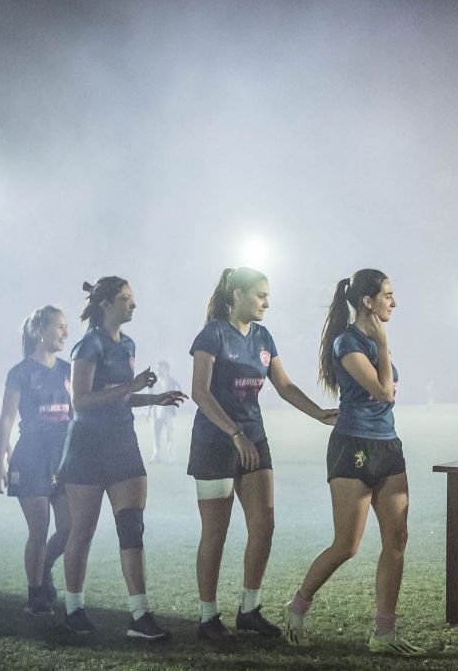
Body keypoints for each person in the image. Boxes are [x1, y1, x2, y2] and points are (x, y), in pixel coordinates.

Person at [188, 267, 336, 641]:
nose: (267, 303)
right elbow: (200, 393)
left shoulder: (263, 337)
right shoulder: (212, 335)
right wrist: (234, 434)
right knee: (215, 532)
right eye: (260, 295)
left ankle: (249, 609)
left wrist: (319, 413)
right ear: (237, 295)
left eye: (268, 296)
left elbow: (284, 386)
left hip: (254, 439)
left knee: (264, 526)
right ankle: (208, 617)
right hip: (215, 443)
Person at [285, 270, 426, 656]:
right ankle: (297, 607)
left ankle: (384, 633)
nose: (394, 302)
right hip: (353, 447)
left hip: (388, 446)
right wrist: (382, 342)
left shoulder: (375, 340)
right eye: (388, 295)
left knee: (397, 539)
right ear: (368, 301)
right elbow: (383, 392)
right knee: (347, 545)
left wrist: (382, 344)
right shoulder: (347, 342)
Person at [58, 277, 186, 639]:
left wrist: (154, 399)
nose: (133, 304)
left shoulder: (128, 344)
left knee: (132, 528)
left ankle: (140, 616)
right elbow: (80, 401)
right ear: (106, 304)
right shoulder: (88, 345)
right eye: (126, 298)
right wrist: (131, 386)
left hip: (123, 443)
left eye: (133, 298)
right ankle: (74, 609)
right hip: (87, 447)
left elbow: (121, 398)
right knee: (82, 531)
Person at [0, 305, 72, 616]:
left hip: (63, 459)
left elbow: (77, 413)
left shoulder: (68, 369)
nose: (66, 332)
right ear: (40, 331)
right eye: (60, 326)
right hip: (32, 457)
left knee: (69, 529)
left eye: (66, 327)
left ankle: (46, 566)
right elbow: (6, 419)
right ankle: (35, 594)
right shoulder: (20, 372)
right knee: (39, 530)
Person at [148, 361, 180, 463]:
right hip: (156, 411)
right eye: (157, 368)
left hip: (167, 411)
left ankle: (172, 457)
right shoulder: (154, 382)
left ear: (165, 368)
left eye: (159, 368)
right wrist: (149, 411)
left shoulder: (172, 382)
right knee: (156, 434)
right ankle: (156, 456)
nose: (157, 370)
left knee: (169, 434)